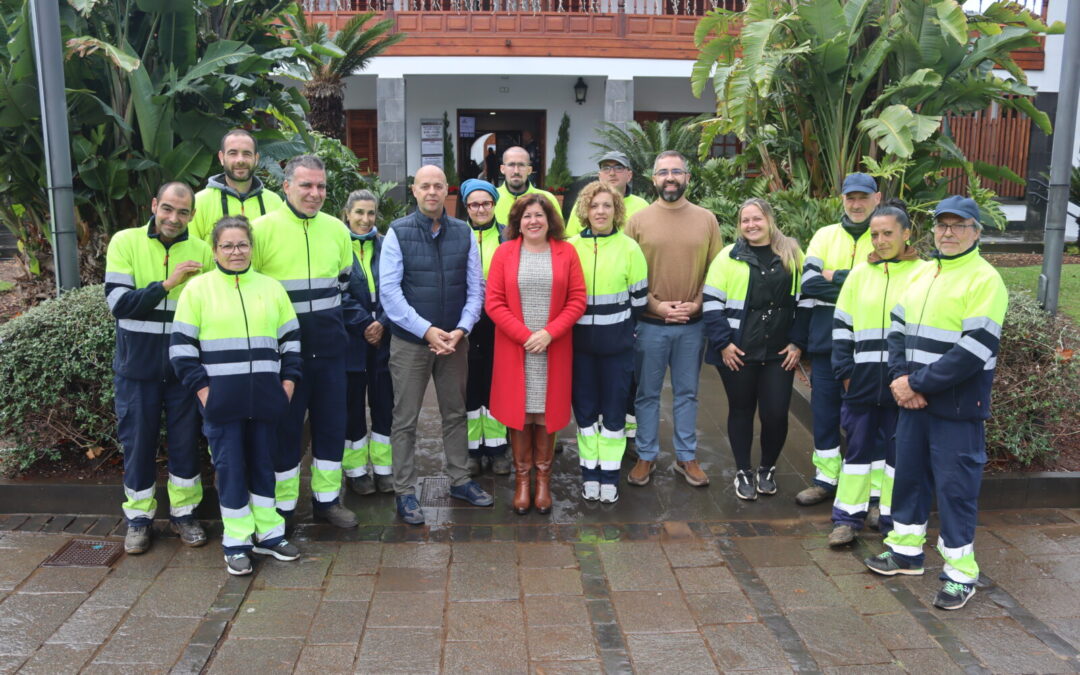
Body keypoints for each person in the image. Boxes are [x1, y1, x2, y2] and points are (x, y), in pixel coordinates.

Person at [865, 196, 1008, 611]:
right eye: (942, 225)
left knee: (955, 490)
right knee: (907, 479)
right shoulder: (924, 272)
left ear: (976, 232)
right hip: (913, 401)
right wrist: (899, 380)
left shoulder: (985, 280)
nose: (948, 232)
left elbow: (973, 350)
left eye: (958, 226)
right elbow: (895, 329)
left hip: (957, 409)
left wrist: (917, 383)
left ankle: (961, 574)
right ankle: (906, 553)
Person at [170, 216, 304, 575]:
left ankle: (270, 535)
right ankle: (237, 540)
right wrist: (204, 391)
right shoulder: (196, 291)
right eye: (227, 245)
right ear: (214, 250)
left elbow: (291, 342)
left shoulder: (271, 288)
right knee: (230, 469)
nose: (236, 251)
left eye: (242, 244)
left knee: (264, 464)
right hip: (221, 402)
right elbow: (181, 351)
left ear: (251, 247)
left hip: (266, 397)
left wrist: (288, 384)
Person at [380, 165, 493, 526]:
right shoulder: (398, 232)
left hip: (455, 342)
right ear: (414, 190)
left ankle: (460, 479)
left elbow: (477, 290)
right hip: (411, 343)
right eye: (425, 186)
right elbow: (390, 293)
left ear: (448, 191)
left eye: (438, 186)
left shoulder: (463, 233)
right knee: (405, 419)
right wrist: (427, 330)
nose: (432, 192)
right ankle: (405, 492)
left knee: (455, 413)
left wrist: (461, 329)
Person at [104, 182, 213, 555]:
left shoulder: (202, 250)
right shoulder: (125, 241)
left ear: (192, 216)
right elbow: (119, 304)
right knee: (138, 445)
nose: (173, 218)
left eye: (183, 212)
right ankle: (138, 520)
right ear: (154, 205)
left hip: (184, 370)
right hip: (137, 369)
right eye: (167, 208)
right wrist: (168, 284)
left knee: (185, 444)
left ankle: (184, 515)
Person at [251, 155, 358, 529]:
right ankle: (283, 506)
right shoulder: (260, 230)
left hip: (330, 348)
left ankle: (327, 501)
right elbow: (252, 291)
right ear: (286, 186)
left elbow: (343, 286)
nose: (315, 193)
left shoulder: (337, 230)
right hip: (284, 353)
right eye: (306, 185)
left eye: (321, 186)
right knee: (286, 429)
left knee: (332, 426)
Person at [828, 202, 925, 546]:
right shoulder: (858, 275)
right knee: (855, 451)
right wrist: (845, 372)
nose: (880, 240)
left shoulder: (924, 274)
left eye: (888, 233)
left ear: (906, 234)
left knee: (899, 456)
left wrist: (916, 379)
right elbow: (841, 326)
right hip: (862, 379)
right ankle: (846, 519)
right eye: (874, 234)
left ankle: (889, 518)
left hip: (903, 383)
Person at [624, 151, 723, 488]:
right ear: (652, 179)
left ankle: (686, 456)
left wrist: (697, 305)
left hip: (692, 326)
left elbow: (716, 272)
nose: (670, 177)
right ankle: (646, 455)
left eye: (676, 172)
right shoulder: (637, 221)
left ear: (687, 178)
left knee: (687, 393)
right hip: (650, 325)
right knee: (647, 394)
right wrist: (656, 306)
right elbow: (629, 275)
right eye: (663, 172)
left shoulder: (707, 219)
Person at [486, 194, 586, 514]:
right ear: (518, 221)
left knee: (545, 412)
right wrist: (526, 336)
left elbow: (577, 300)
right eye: (527, 215)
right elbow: (494, 302)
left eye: (539, 215)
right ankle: (522, 480)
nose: (533, 221)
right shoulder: (504, 253)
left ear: (549, 220)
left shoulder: (566, 252)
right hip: (517, 348)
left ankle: (543, 479)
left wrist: (549, 334)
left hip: (552, 347)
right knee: (520, 413)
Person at [703, 198, 809, 500]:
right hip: (739, 352)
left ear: (770, 220)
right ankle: (743, 471)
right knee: (741, 410)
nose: (751, 225)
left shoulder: (791, 253)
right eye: (745, 220)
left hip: (778, 352)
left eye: (757, 218)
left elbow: (805, 302)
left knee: (775, 414)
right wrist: (724, 343)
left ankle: (767, 468)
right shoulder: (728, 257)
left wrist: (797, 342)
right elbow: (711, 304)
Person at [796, 173, 881, 508]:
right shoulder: (824, 236)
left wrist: (838, 277)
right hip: (826, 341)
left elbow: (885, 284)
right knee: (825, 413)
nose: (856, 204)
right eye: (850, 198)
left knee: (867, 416)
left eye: (863, 197)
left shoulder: (884, 236)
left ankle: (872, 489)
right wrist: (861, 282)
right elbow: (809, 284)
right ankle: (825, 479)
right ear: (842, 200)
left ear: (877, 197)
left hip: (869, 343)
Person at [568, 182, 647, 504]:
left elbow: (639, 300)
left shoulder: (630, 248)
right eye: (594, 206)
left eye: (607, 206)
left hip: (617, 348)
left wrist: (625, 332)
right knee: (585, 414)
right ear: (585, 211)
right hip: (579, 348)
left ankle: (610, 477)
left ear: (617, 211)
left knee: (614, 415)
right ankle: (589, 474)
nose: (600, 211)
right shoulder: (570, 247)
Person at [341, 190, 395, 496]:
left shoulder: (387, 245)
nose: (365, 219)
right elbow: (338, 290)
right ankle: (356, 470)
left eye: (371, 213)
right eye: (359, 212)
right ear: (347, 213)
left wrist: (383, 323)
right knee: (352, 406)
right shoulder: (337, 246)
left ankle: (385, 468)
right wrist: (364, 323)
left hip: (384, 339)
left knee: (385, 404)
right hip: (351, 338)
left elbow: (398, 285)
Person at [460, 178, 511, 476]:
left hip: (499, 322)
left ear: (494, 204)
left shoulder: (508, 236)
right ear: (466, 207)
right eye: (474, 204)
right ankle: (471, 450)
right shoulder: (457, 233)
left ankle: (496, 448)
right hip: (467, 322)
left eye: (486, 203)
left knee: (496, 381)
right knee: (469, 385)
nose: (480, 209)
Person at [190, 129, 283, 246]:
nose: (240, 160)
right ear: (221, 158)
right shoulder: (200, 202)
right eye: (233, 153)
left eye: (247, 154)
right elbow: (191, 252)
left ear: (256, 158)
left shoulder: (274, 202)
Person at [564, 151, 649, 237]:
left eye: (619, 168)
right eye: (606, 168)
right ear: (599, 176)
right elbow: (570, 241)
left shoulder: (642, 206)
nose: (612, 173)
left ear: (629, 175)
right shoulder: (584, 203)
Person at [493, 146, 560, 226]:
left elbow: (558, 233)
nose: (516, 171)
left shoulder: (547, 198)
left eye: (521, 165)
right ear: (502, 169)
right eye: (511, 165)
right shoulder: (492, 198)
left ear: (529, 170)